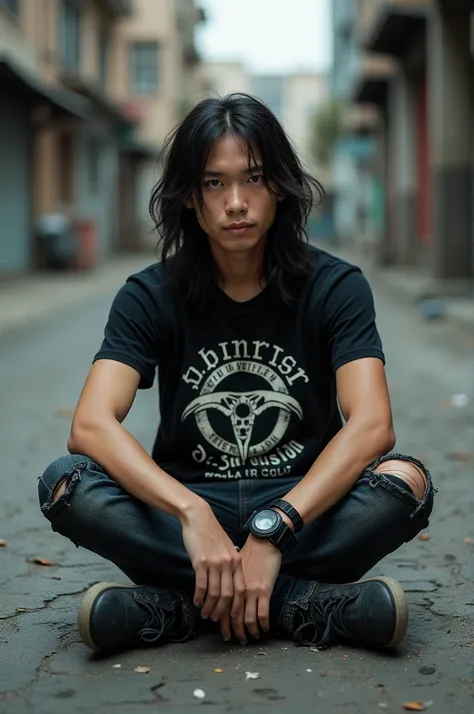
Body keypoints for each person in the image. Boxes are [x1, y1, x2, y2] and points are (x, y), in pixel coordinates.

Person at [38, 93, 435, 655]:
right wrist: (192, 512)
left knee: (406, 484)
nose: (237, 203)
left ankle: (176, 609)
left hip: (302, 501)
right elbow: (90, 428)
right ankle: (307, 605)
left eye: (253, 178)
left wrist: (277, 527)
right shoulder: (148, 296)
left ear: (280, 186)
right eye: (214, 184)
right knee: (65, 483)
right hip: (188, 506)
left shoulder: (337, 286)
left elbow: (372, 425)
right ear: (190, 198)